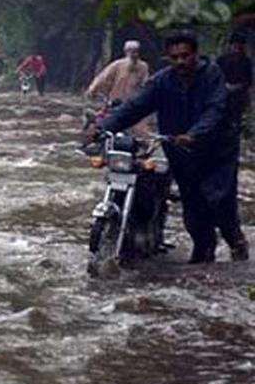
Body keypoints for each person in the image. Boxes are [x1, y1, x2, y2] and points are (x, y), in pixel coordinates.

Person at [91, 31, 248, 263]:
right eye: (174, 57)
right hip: (181, 153)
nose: (180, 62)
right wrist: (101, 128)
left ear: (195, 54)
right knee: (193, 207)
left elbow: (216, 110)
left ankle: (237, 243)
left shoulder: (212, 75)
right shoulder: (162, 81)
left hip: (217, 152)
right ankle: (203, 255)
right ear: (168, 58)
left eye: (185, 56)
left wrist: (194, 134)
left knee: (218, 201)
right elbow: (135, 106)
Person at [86, 40, 150, 103]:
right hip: (116, 100)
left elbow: (145, 83)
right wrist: (92, 89)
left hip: (133, 101)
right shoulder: (117, 64)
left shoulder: (143, 66)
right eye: (132, 51)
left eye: (136, 51)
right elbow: (103, 77)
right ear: (126, 52)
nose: (135, 54)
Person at [216, 29, 252, 135]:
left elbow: (248, 81)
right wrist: (224, 86)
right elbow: (215, 77)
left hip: (238, 95)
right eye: (235, 46)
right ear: (230, 46)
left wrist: (236, 87)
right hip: (222, 93)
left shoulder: (246, 62)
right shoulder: (221, 60)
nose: (236, 49)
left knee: (237, 113)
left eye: (239, 47)